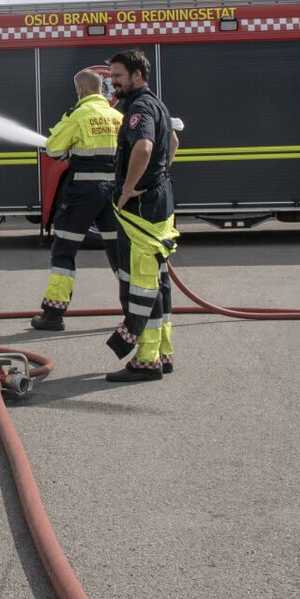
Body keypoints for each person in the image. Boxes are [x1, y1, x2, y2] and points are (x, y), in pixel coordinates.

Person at [104, 49, 180, 383]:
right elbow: (173, 140)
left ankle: (147, 362)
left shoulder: (139, 107)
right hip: (159, 202)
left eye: (118, 76)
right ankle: (162, 353)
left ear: (137, 75)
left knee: (140, 285)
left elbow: (145, 146)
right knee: (159, 283)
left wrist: (128, 188)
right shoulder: (157, 103)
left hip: (140, 210)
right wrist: (160, 176)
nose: (114, 83)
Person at [30, 68, 122, 331]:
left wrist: (69, 149)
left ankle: (54, 314)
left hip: (82, 191)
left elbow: (53, 148)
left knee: (65, 249)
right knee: (119, 251)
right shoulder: (118, 116)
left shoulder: (78, 115)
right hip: (114, 192)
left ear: (82, 91)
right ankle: (134, 309)